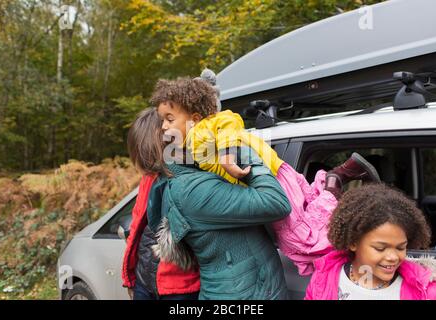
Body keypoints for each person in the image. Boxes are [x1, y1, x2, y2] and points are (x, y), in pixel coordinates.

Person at [151, 76, 380, 275]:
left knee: (301, 240)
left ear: (196, 117)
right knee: (308, 213)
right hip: (278, 172)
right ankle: (332, 179)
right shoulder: (197, 138)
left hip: (275, 178)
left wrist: (226, 156)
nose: (163, 126)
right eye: (163, 120)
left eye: (169, 119)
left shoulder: (202, 130)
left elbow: (229, 119)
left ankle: (334, 180)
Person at [128, 109, 293, 300]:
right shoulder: (192, 188)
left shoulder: (183, 180)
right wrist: (239, 148)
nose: (194, 127)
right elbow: (275, 202)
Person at [305, 183, 436, 300]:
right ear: (353, 242)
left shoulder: (425, 291)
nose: (393, 257)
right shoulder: (323, 278)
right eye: (380, 248)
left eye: (400, 248)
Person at [122, 108, 200, 300]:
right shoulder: (149, 178)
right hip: (144, 282)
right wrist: (130, 277)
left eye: (147, 157)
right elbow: (136, 225)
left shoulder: (189, 181)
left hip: (180, 289)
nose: (145, 168)